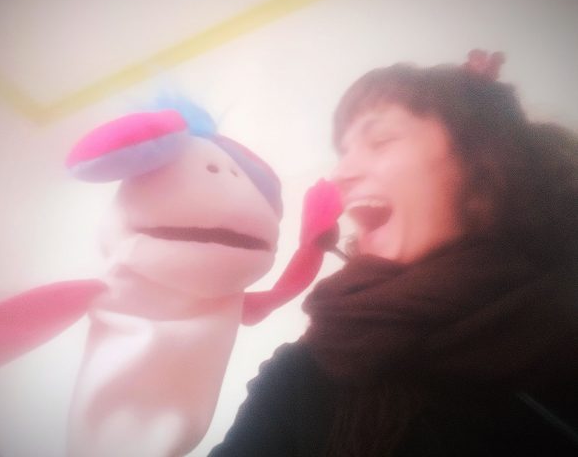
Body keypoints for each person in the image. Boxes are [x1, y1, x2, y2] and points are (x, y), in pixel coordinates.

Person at [209, 52, 578, 456]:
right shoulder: (307, 374)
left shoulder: (563, 328)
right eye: (344, 150)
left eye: (380, 141)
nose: (340, 174)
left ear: (481, 163)